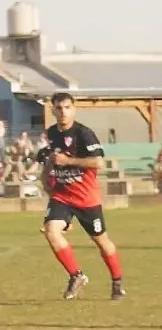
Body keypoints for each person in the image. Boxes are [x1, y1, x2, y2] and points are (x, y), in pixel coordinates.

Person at [37, 92, 125, 300]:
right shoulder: (51, 132)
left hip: (86, 198)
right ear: (53, 111)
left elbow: (98, 163)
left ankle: (117, 281)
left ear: (74, 109)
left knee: (101, 241)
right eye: (59, 108)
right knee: (51, 231)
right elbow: (53, 158)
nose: (63, 112)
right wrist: (45, 175)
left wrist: (68, 161)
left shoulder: (83, 134)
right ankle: (76, 275)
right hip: (62, 195)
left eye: (67, 107)